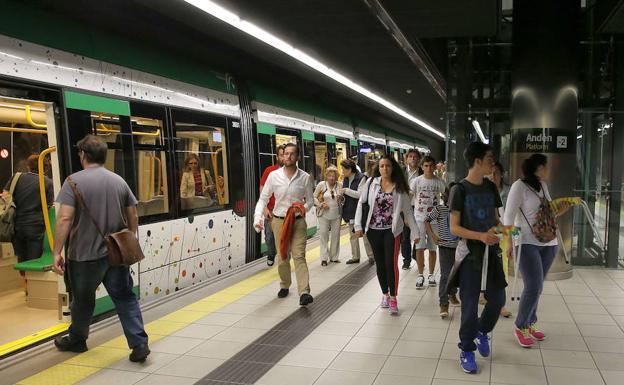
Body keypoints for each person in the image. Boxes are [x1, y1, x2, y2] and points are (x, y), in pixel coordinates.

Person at [52, 135, 149, 362]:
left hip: (83, 256)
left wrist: (57, 251)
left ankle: (78, 339)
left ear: (83, 154)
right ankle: (139, 344)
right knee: (125, 298)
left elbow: (65, 218)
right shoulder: (119, 181)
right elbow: (133, 215)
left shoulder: (73, 182)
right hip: (116, 254)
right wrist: (128, 240)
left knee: (83, 301)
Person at [448, 141, 506, 374]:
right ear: (478, 161)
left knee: (499, 299)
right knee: (470, 306)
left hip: (491, 252)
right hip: (471, 254)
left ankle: (482, 331)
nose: (493, 162)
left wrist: (504, 229)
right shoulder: (459, 190)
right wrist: (480, 236)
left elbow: (495, 220)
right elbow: (454, 228)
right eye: (490, 158)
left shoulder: (491, 187)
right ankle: (467, 349)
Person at [503, 154, 570, 348]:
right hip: (525, 242)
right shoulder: (519, 186)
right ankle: (521, 325)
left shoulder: (543, 186)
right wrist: (508, 243)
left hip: (548, 242)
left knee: (537, 286)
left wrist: (560, 210)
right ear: (538, 168)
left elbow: (546, 212)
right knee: (533, 286)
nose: (548, 170)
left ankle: (531, 323)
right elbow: (508, 218)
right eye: (545, 167)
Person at [354, 155, 418, 314]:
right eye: (382, 166)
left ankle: (394, 297)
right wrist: (357, 226)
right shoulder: (371, 183)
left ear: (393, 167)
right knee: (380, 265)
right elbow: (361, 205)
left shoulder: (399, 188)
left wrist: (415, 233)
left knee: (391, 264)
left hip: (392, 231)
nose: (385, 169)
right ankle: (385, 294)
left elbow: (408, 212)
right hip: (373, 231)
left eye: (388, 166)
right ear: (378, 168)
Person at [254, 143, 315, 306]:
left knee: (299, 256)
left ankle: (304, 292)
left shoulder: (305, 178)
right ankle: (285, 284)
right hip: (279, 221)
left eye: (292, 154)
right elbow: (263, 199)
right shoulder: (273, 176)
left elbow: (310, 200)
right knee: (282, 257)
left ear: (298, 157)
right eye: (285, 153)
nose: (288, 157)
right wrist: (257, 218)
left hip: (298, 222)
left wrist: (304, 207)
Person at [3, 154, 53, 292]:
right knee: (34, 258)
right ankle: (31, 290)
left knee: (21, 258)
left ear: (28, 166)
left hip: (17, 226)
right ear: (46, 168)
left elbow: (6, 196)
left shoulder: (16, 178)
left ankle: (26, 286)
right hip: (37, 227)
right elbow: (49, 206)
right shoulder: (47, 182)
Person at [424, 182, 460, 318]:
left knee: (457, 273)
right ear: (447, 196)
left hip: (459, 247)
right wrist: (433, 235)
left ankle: (452, 294)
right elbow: (426, 220)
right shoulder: (440, 209)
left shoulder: (460, 210)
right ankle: (443, 303)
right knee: (445, 275)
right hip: (445, 247)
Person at [412, 155, 446, 289]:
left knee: (433, 248)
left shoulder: (439, 182)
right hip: (419, 218)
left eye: (431, 165)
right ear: (422, 167)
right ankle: (420, 275)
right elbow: (410, 196)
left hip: (435, 220)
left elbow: (446, 195)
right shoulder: (416, 181)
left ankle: (431, 274)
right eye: (426, 166)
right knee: (419, 247)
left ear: (435, 167)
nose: (429, 168)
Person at [485, 161, 513, 318]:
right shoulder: (482, 191)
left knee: (502, 271)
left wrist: (510, 242)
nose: (493, 176)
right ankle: (485, 297)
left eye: (496, 172)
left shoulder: (508, 192)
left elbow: (510, 220)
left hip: (502, 236)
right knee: (483, 270)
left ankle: (501, 304)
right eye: (491, 172)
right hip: (484, 236)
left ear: (501, 174)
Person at [340, 159, 374, 265]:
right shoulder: (345, 179)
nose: (342, 171)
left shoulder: (361, 178)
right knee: (352, 236)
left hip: (361, 211)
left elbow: (361, 194)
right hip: (349, 210)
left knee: (365, 235)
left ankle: (371, 256)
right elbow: (346, 195)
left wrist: (346, 191)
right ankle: (355, 256)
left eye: (343, 169)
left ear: (350, 169)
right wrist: (341, 198)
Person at [259, 145, 285, 266]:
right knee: (269, 238)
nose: (284, 157)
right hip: (271, 211)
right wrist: (264, 208)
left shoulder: (294, 172)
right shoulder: (269, 171)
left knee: (284, 238)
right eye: (281, 155)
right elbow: (262, 189)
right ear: (277, 157)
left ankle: (283, 260)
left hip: (286, 212)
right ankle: (271, 253)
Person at [314, 166, 343, 266]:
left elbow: (343, 199)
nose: (331, 178)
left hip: (336, 214)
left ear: (336, 177)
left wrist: (341, 199)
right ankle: (324, 258)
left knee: (336, 236)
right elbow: (314, 197)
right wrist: (321, 204)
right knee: (324, 236)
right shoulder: (321, 185)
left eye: (334, 176)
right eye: (330, 176)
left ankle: (334, 257)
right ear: (326, 176)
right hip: (323, 215)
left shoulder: (339, 185)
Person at [401, 149, 421, 270]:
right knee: (405, 235)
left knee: (418, 232)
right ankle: (406, 260)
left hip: (419, 207)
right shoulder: (401, 172)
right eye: (410, 156)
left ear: (419, 159)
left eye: (415, 157)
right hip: (405, 206)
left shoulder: (423, 172)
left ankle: (415, 253)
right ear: (407, 158)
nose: (413, 158)